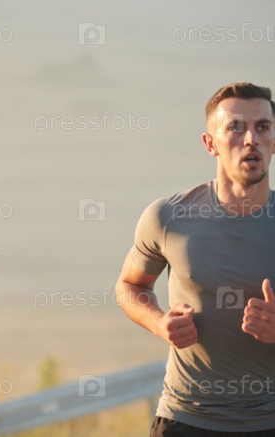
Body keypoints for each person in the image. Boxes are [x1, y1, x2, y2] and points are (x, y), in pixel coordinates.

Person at [115, 83, 275, 436]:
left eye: (262, 127)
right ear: (210, 144)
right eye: (235, 127)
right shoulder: (169, 217)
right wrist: (159, 323)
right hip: (185, 418)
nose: (251, 139)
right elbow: (130, 285)